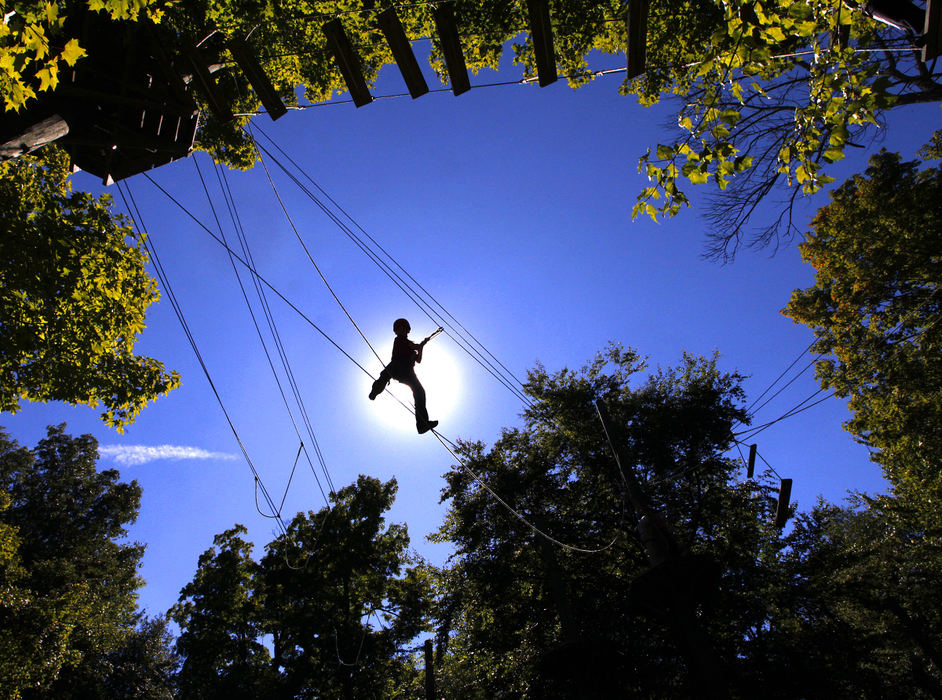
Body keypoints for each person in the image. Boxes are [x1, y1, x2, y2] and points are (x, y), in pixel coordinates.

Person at [369, 318, 441, 434]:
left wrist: (421, 348)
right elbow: (414, 346)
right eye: (398, 329)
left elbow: (418, 360)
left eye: (402, 329)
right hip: (397, 365)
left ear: (407, 330)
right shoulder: (399, 340)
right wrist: (421, 345)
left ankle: (422, 425)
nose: (400, 331)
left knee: (420, 392)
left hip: (407, 372)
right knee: (384, 376)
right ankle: (375, 391)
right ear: (396, 332)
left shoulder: (410, 346)